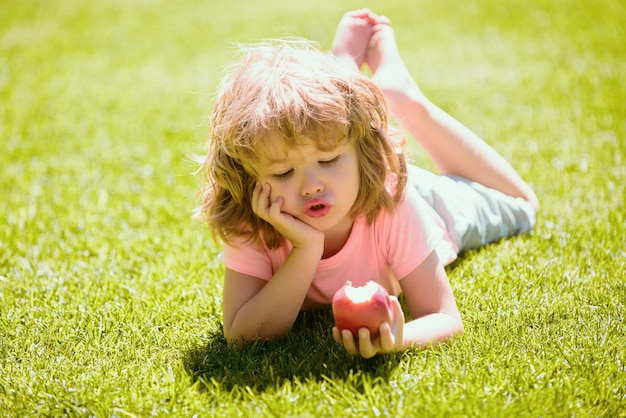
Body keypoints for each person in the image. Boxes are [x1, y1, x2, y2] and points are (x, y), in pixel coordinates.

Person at [197, 9, 539, 358]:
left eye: (328, 161)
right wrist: (306, 249)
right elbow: (241, 335)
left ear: (362, 152)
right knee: (328, 128)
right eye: (284, 173)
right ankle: (345, 73)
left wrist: (398, 339)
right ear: (249, 176)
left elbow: (443, 316)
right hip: (355, 177)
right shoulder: (254, 216)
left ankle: (402, 96)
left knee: (524, 205)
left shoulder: (394, 204)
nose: (311, 186)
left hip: (427, 203)